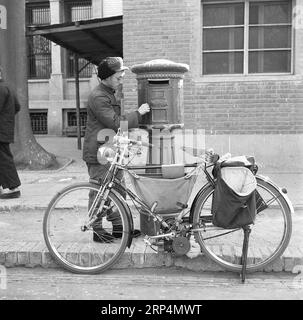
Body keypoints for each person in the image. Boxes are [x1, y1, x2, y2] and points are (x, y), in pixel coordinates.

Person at [83, 57, 150, 243]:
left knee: (118, 190)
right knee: (99, 191)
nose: (121, 80)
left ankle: (119, 228)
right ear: (107, 77)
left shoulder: (109, 92)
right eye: (118, 77)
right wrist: (139, 113)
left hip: (111, 150)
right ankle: (96, 229)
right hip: (100, 153)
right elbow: (114, 122)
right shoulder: (99, 97)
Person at [0, 67, 21, 199]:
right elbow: (17, 106)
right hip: (5, 129)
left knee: (4, 159)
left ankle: (14, 188)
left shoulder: (0, 88)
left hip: (1, 131)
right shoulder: (8, 87)